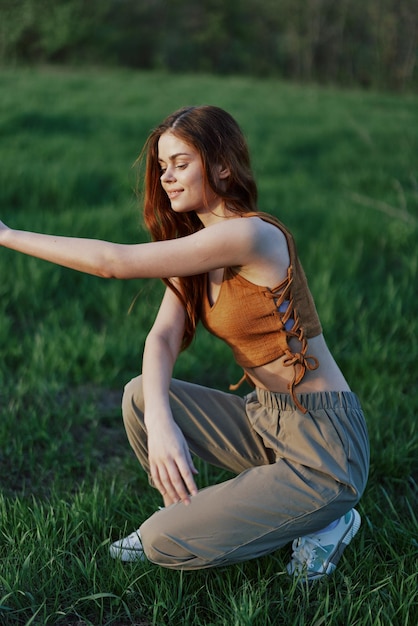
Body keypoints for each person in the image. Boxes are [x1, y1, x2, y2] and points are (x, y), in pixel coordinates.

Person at [0, 105, 369, 580]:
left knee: (159, 544)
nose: (167, 178)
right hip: (267, 421)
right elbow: (162, 337)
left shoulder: (250, 234)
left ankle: (329, 519)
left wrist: (7, 236)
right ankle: (188, 514)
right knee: (140, 395)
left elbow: (113, 262)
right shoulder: (200, 242)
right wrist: (159, 421)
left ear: (221, 165)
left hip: (324, 445)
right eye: (161, 167)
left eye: (180, 163)